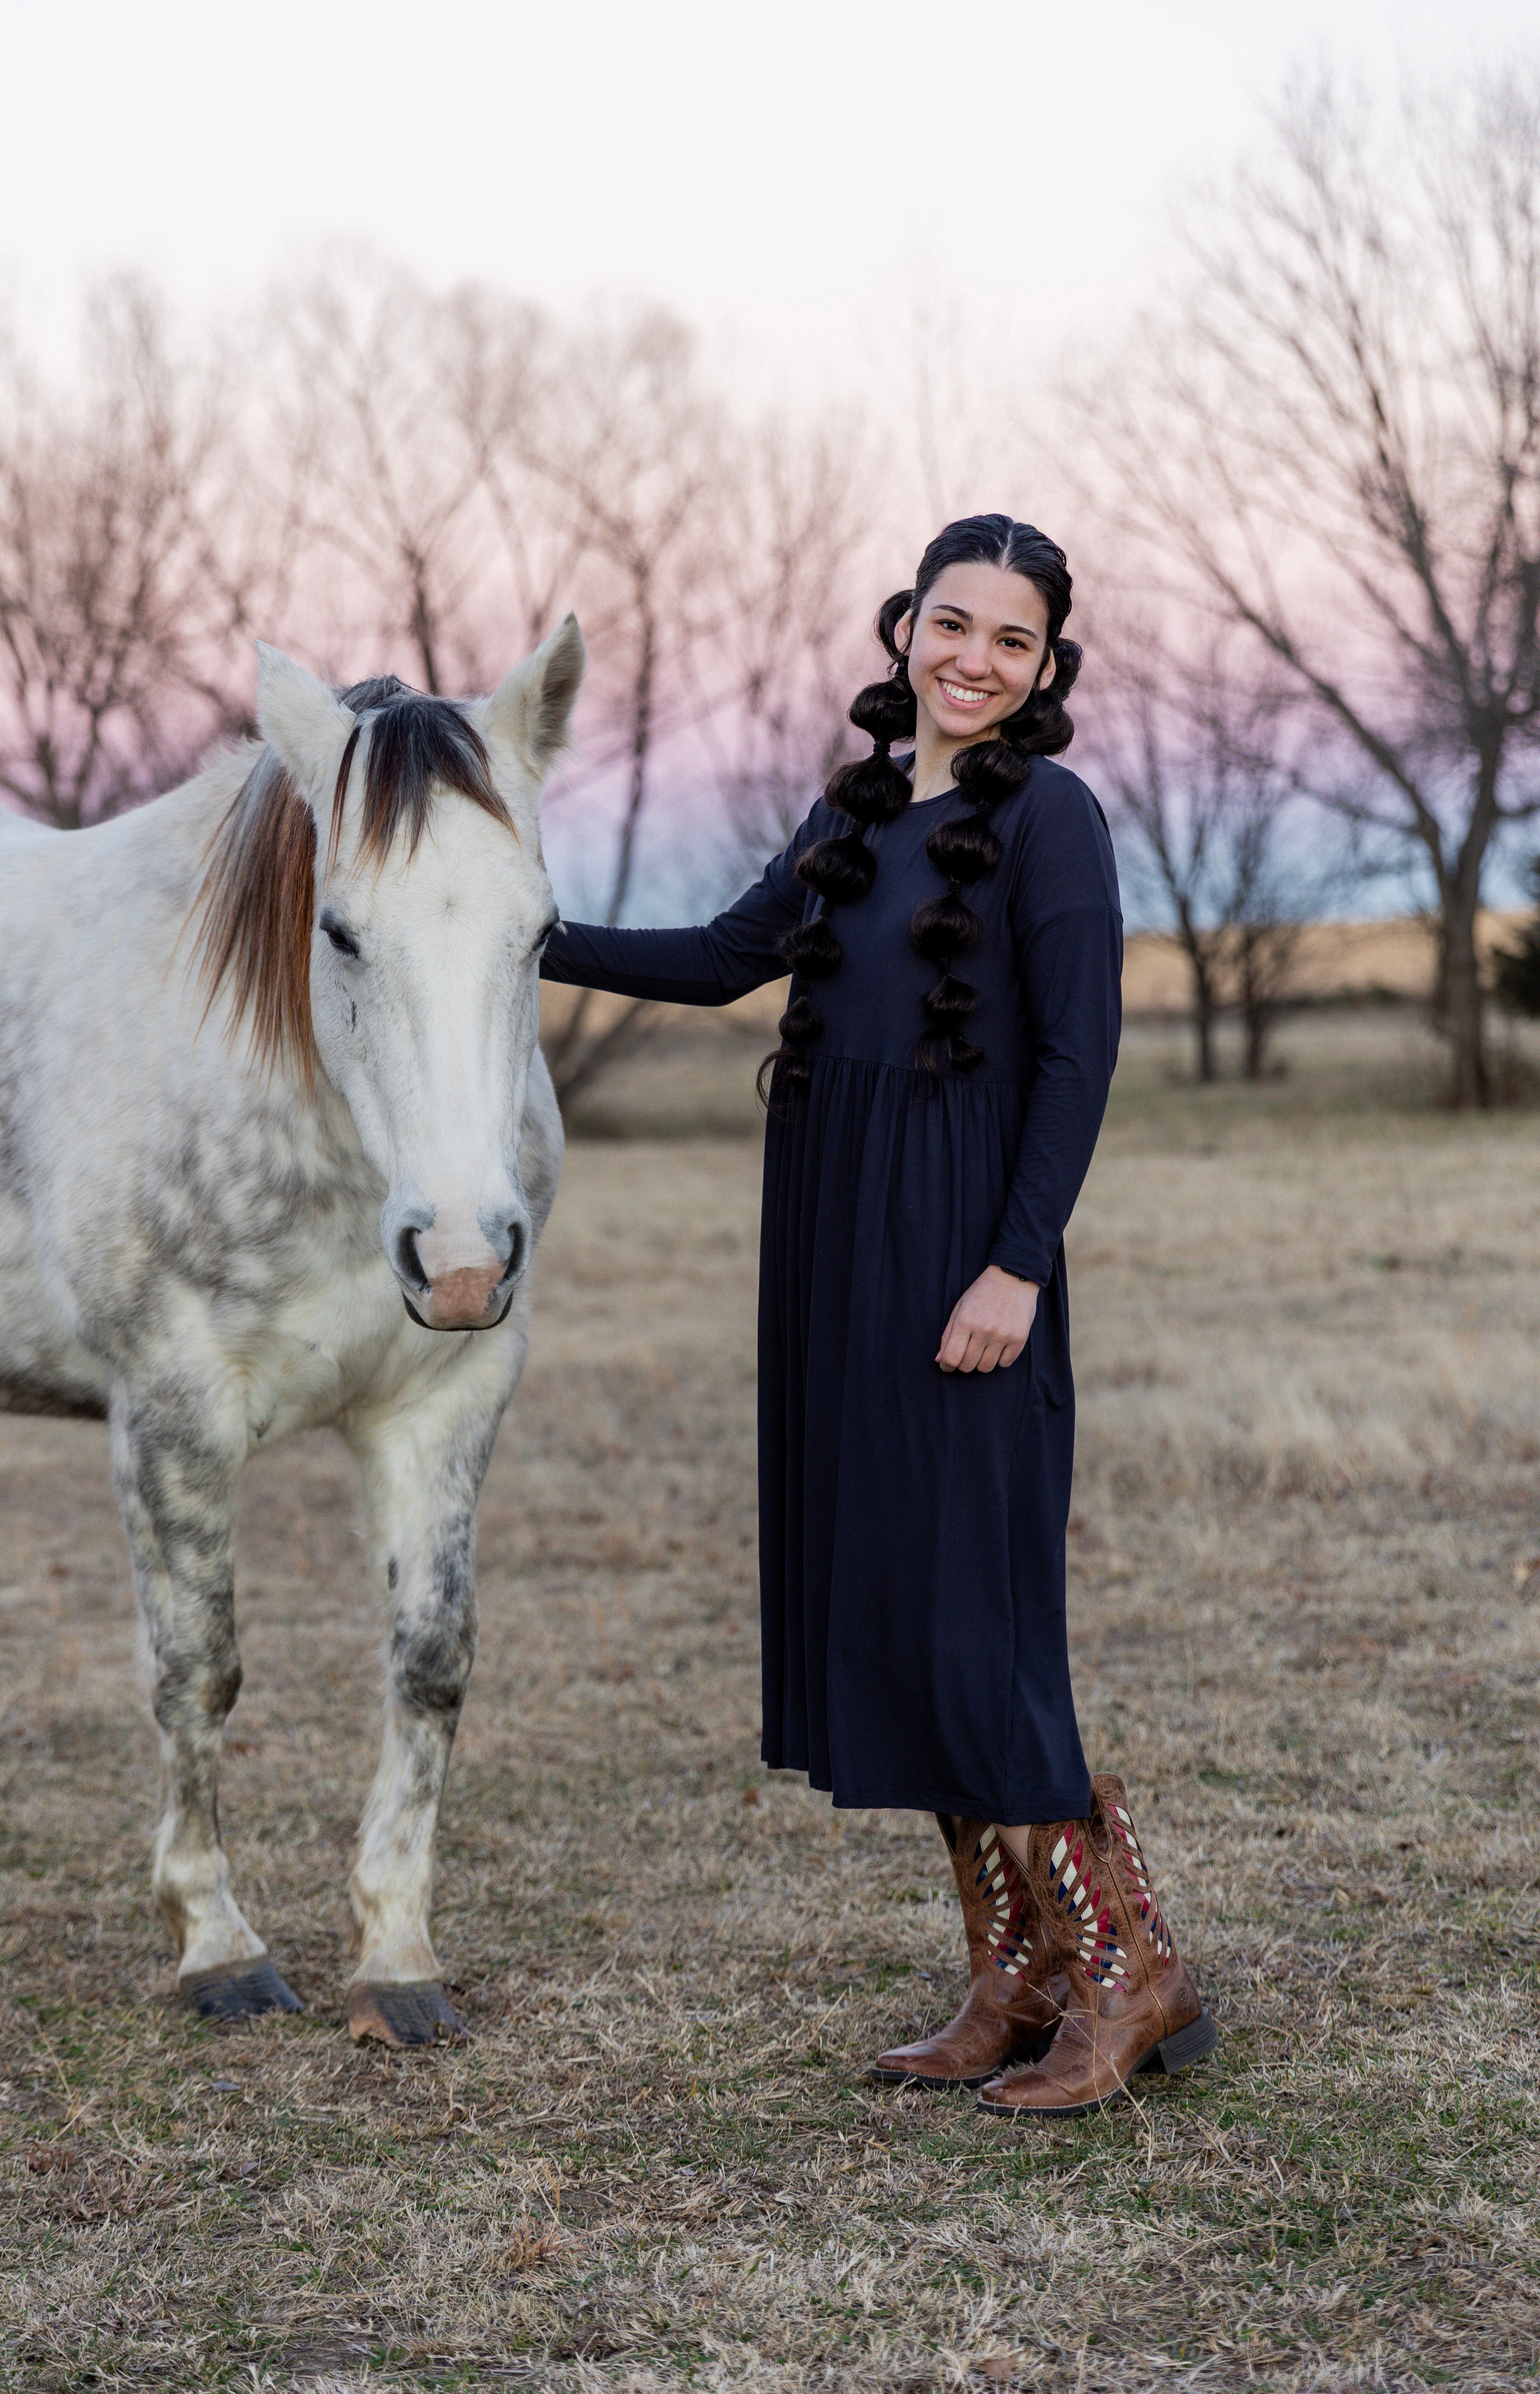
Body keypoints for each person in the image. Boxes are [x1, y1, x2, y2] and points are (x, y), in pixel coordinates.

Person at [541, 515, 1217, 2116]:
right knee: (905, 1607)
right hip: (836, 1245)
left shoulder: (1054, 817)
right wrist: (520, 935)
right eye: (953, 624)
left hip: (962, 1243)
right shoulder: (853, 813)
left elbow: (1076, 1060)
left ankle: (1130, 1965)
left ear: (1050, 667)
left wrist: (1017, 1262)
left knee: (976, 1619)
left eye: (1014, 641)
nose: (975, 661)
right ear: (904, 625)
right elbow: (722, 962)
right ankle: (1018, 1971)